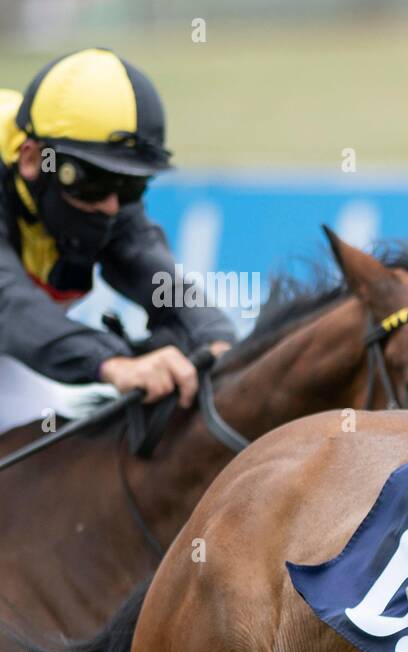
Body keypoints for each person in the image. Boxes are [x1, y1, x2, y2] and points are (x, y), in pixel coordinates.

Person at [0, 48, 235, 434]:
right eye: (96, 182)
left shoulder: (86, 188)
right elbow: (8, 302)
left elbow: (156, 274)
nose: (112, 205)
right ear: (32, 160)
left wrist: (214, 338)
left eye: (130, 186)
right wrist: (115, 363)